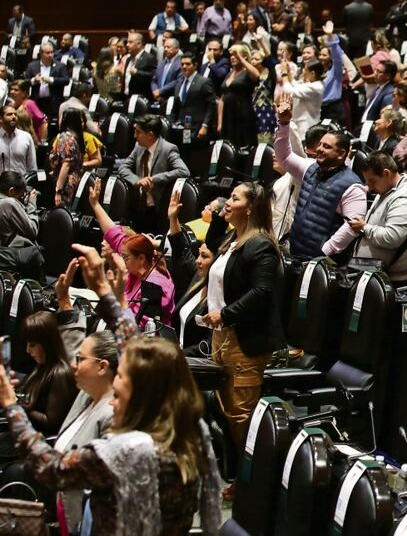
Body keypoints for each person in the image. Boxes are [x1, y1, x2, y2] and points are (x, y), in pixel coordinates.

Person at [0, 248, 223, 536]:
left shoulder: (127, 453)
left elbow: (51, 469)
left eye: (119, 393)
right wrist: (107, 294)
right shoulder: (188, 430)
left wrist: (10, 404)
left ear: (144, 394)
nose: (112, 400)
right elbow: (133, 351)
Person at [200, 183, 283, 469]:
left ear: (250, 208)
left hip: (245, 340)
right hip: (222, 336)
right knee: (224, 409)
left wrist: (225, 314)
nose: (228, 202)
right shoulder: (232, 241)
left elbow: (262, 292)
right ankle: (239, 473)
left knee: (242, 415)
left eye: (234, 198)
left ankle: (255, 480)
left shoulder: (260, 245)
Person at [274, 95, 365, 259]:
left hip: (320, 261)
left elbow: (352, 226)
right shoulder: (310, 167)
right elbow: (284, 157)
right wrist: (284, 124)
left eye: (327, 147)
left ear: (341, 154)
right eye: (320, 144)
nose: (320, 149)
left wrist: (325, 251)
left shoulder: (353, 186)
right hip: (295, 251)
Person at [53, 330, 118, 533]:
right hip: (65, 506)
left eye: (80, 358)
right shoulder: (85, 395)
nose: (73, 364)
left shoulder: (112, 414)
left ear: (102, 366)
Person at [88, 178, 177, 327]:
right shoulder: (137, 264)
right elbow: (114, 234)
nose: (122, 260)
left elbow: (137, 329)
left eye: (125, 257)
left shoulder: (157, 285)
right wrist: (95, 205)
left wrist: (111, 293)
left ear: (141, 258)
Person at [347, 151, 407, 284]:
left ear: (386, 173)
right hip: (375, 276)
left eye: (372, 181)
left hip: (395, 282)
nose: (369, 187)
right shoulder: (385, 191)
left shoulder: (406, 197)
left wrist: (364, 227)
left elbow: (391, 237)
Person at [117, 114, 191, 232]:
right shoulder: (138, 147)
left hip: (157, 209)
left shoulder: (168, 149)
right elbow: (123, 168)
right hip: (137, 206)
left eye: (138, 132)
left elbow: (184, 171)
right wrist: (137, 180)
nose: (135, 136)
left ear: (150, 135)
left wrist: (153, 179)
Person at [167, 191, 219, 351]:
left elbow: (209, 346)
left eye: (204, 256)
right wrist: (173, 218)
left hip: (195, 363)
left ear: (218, 262)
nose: (198, 261)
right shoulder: (198, 277)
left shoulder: (220, 295)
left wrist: (179, 357)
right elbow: (181, 249)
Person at [16, 312, 78, 437]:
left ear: (47, 343)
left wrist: (19, 404)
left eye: (32, 345)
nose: (28, 350)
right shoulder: (40, 366)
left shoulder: (60, 374)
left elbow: (51, 424)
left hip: (38, 440)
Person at [219, 43, 260, 148]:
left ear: (244, 56)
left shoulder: (247, 72)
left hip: (243, 114)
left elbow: (256, 75)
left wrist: (241, 59)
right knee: (228, 146)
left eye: (236, 55)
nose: (233, 57)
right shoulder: (229, 74)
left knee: (242, 145)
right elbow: (222, 99)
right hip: (228, 116)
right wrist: (220, 122)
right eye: (231, 55)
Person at [276, 59, 322, 140]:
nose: (303, 71)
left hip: (307, 125)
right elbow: (295, 86)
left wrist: (284, 73)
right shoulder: (311, 84)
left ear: (312, 73)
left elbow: (289, 91)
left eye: (305, 69)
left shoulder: (316, 87)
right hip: (301, 123)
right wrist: (288, 71)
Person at [50, 108, 86, 208]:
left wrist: (58, 190)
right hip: (74, 180)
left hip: (66, 184)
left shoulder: (65, 137)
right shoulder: (76, 137)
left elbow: (66, 165)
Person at [175, 52, 217, 139]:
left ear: (195, 65)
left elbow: (211, 105)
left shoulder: (204, 82)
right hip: (185, 124)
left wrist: (205, 125)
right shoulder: (179, 82)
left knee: (196, 150)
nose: (184, 67)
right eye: (182, 64)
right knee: (185, 147)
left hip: (198, 125)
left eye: (188, 64)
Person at [25, 40, 71, 118]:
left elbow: (66, 80)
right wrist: (34, 80)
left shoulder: (60, 66)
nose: (50, 55)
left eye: (52, 52)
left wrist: (51, 80)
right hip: (37, 102)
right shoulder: (32, 66)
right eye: (47, 53)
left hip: (53, 103)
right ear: (41, 54)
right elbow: (24, 82)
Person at [0, 102, 37, 175]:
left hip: (21, 183)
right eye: (9, 114)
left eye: (15, 114)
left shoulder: (26, 137)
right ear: (0, 119)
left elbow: (32, 167)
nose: (14, 117)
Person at [0, 171, 39, 239]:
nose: (21, 197)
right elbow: (33, 230)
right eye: (20, 194)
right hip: (14, 249)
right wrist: (32, 203)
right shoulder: (8, 203)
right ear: (11, 191)